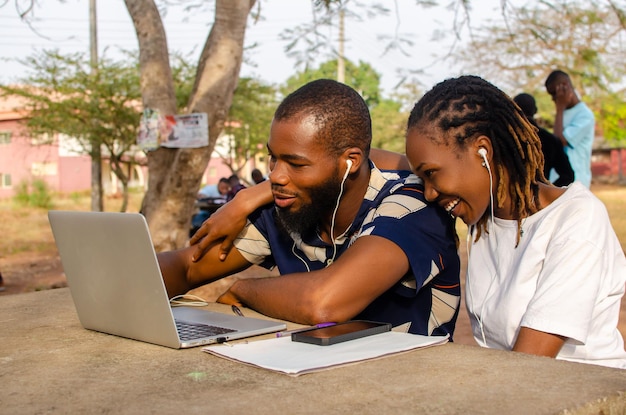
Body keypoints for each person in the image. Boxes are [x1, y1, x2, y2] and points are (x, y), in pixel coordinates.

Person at [159, 79, 461, 337]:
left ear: (350, 162)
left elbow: (324, 303)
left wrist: (244, 290)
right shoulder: (290, 207)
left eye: (296, 163)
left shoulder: (411, 205)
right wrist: (122, 280)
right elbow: (187, 266)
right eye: (273, 158)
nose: (276, 176)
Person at [405, 75, 625, 368]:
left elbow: (527, 366)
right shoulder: (484, 215)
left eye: (431, 174)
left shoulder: (576, 222)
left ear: (482, 151)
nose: (429, 193)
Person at [544, 70, 595, 188]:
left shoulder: (585, 115)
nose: (553, 99)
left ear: (565, 86)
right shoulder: (562, 114)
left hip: (576, 182)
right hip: (558, 180)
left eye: (553, 93)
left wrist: (560, 109)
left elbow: (559, 141)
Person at [513, 93, 574, 187]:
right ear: (536, 110)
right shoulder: (551, 140)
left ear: (513, 110)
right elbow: (568, 176)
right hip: (539, 199)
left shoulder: (504, 138)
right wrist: (547, 193)